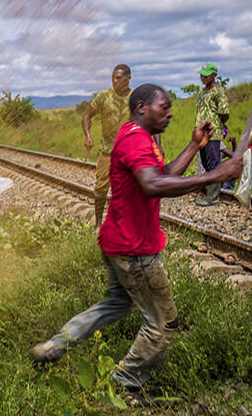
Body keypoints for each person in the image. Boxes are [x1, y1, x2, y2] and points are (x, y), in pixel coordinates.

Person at [30, 84, 242, 391]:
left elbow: (163, 174)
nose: (169, 113)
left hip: (118, 240)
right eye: (163, 108)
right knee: (163, 323)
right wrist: (216, 175)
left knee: (115, 304)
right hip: (134, 250)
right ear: (142, 108)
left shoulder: (139, 137)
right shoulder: (134, 140)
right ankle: (125, 383)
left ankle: (53, 346)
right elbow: (153, 185)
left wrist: (195, 145)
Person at [82, 64, 132, 228]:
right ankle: (98, 223)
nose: (114, 81)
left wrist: (156, 144)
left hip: (128, 152)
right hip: (107, 151)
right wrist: (88, 135)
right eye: (113, 78)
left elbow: (150, 119)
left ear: (128, 78)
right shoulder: (104, 96)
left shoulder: (135, 97)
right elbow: (87, 115)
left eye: (118, 78)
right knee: (101, 188)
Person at [194, 62, 230, 206]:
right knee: (206, 163)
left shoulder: (218, 91)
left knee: (213, 163)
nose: (203, 77)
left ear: (214, 75)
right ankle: (209, 193)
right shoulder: (202, 92)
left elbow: (225, 113)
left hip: (212, 134)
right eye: (202, 75)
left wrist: (217, 125)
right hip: (201, 133)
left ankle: (213, 197)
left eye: (207, 75)